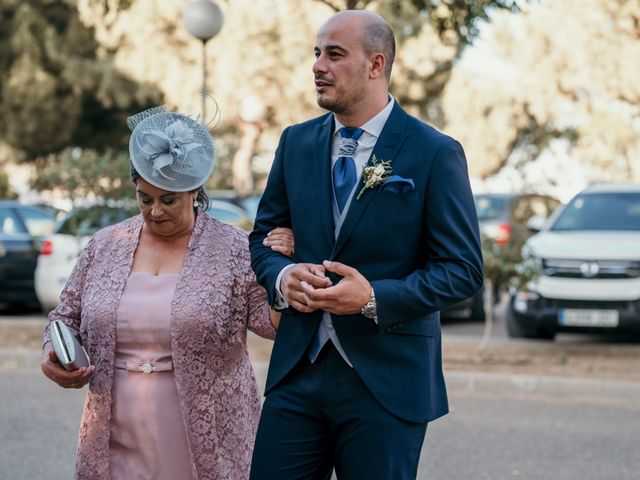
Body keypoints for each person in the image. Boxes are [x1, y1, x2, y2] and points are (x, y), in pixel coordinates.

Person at [249, 10, 483, 480]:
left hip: (387, 378)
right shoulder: (295, 142)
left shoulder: (432, 151)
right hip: (299, 370)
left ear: (376, 65)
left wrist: (373, 297)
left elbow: (462, 270)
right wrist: (282, 275)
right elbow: (263, 238)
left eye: (335, 54)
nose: (318, 65)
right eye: (317, 53)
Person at [40, 106, 294, 480]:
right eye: (145, 198)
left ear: (194, 192)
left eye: (168, 199)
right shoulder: (104, 246)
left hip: (205, 438)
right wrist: (53, 354)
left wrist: (284, 275)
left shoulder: (235, 249)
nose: (155, 211)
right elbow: (64, 318)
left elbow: (269, 324)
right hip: (114, 431)